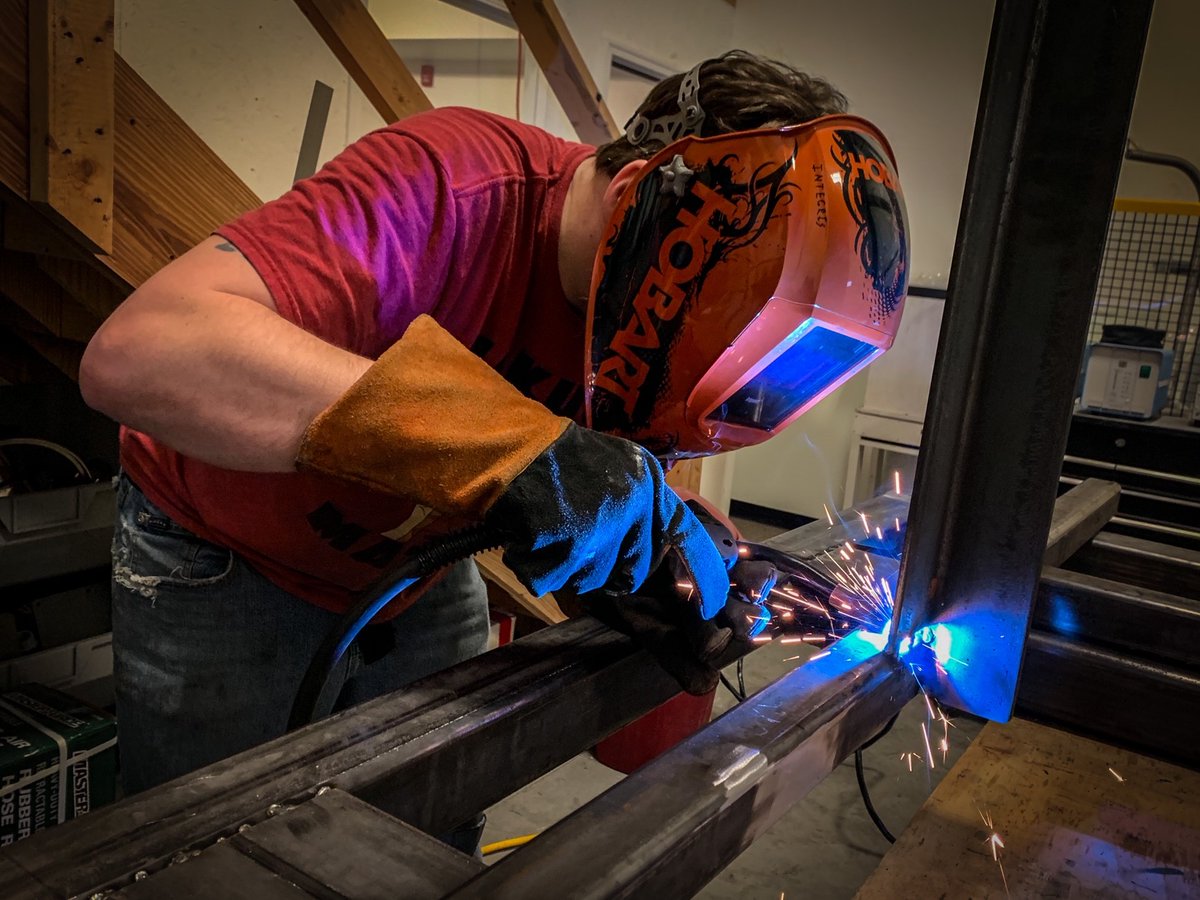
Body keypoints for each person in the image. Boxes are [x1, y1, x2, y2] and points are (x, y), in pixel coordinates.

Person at [79, 49, 909, 797]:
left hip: (416, 574)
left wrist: (663, 551)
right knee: (212, 855)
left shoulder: (664, 302)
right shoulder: (454, 186)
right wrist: (517, 448)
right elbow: (142, 354)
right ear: (641, 203)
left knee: (430, 821)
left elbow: (592, 472)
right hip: (226, 552)